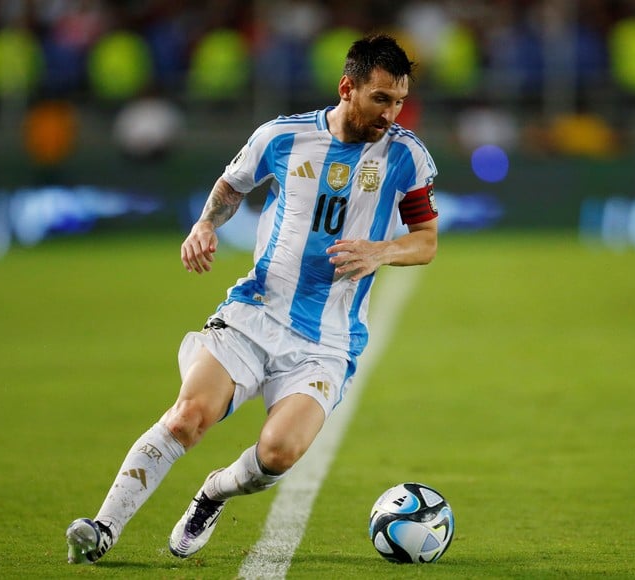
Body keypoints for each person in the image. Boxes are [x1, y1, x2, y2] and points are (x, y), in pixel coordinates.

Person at [65, 32, 439, 564]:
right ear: (347, 88)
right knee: (188, 417)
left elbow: (425, 242)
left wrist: (381, 252)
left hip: (327, 341)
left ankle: (213, 493)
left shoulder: (405, 155)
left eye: (399, 101)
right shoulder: (281, 137)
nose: (392, 113)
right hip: (254, 315)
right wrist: (204, 225)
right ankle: (101, 528)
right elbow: (232, 185)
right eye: (381, 99)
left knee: (278, 454)